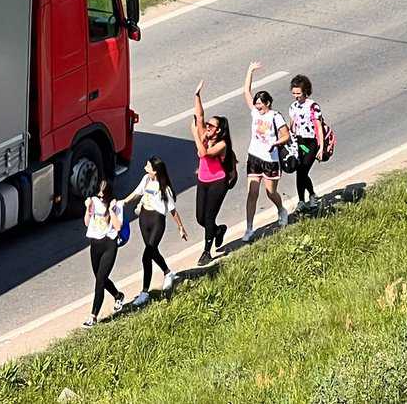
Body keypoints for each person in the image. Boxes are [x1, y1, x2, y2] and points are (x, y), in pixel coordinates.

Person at [122, 156, 189, 305]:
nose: (145, 167)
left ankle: (144, 292)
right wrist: (123, 202)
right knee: (152, 251)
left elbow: (173, 210)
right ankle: (168, 272)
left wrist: (181, 228)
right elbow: (136, 193)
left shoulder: (165, 188)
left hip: (157, 221)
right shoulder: (146, 179)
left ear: (155, 171)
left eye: (148, 166)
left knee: (147, 255)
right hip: (144, 219)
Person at [241, 61, 291, 241]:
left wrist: (275, 143)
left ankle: (281, 209)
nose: (258, 107)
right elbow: (246, 91)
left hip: (270, 159)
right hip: (254, 157)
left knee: (270, 192)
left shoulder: (275, 116)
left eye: (260, 104)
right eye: (256, 104)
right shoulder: (255, 113)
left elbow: (286, 136)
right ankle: (249, 228)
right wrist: (250, 70)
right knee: (252, 193)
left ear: (268, 103)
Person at [191, 80, 238, 266]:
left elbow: (204, 153)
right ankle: (218, 231)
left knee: (209, 217)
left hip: (218, 182)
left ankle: (206, 252)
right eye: (208, 125)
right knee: (200, 218)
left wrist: (195, 134)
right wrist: (197, 96)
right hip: (203, 180)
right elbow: (199, 116)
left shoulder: (222, 144)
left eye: (211, 126)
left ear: (219, 130)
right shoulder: (207, 134)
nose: (207, 127)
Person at [83, 178, 125, 327]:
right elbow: (87, 223)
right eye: (98, 195)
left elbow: (118, 227)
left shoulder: (116, 205)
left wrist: (112, 210)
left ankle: (93, 316)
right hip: (95, 244)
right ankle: (118, 295)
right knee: (100, 277)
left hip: (109, 244)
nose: (100, 198)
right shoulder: (93, 202)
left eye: (103, 196)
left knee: (100, 281)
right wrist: (88, 209)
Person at [289, 73, 325, 212]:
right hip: (300, 142)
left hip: (311, 143)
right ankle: (304, 199)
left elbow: (318, 127)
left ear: (305, 91)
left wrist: (321, 147)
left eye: (298, 93)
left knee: (303, 169)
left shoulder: (313, 106)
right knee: (300, 171)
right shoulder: (293, 107)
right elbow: (292, 125)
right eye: (294, 93)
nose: (296, 96)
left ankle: (311, 196)